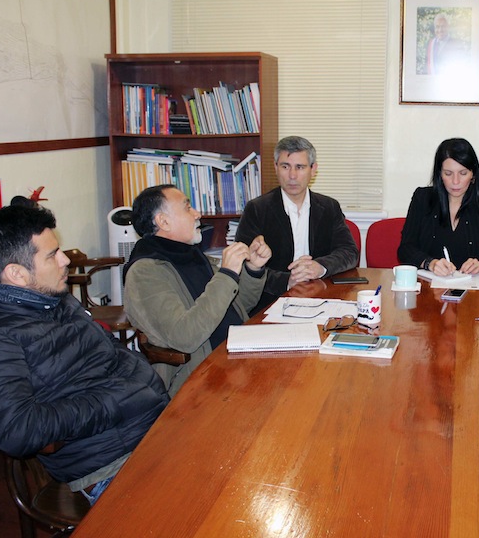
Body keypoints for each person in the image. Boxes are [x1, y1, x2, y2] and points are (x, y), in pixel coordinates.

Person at [0, 205, 169, 505]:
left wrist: (139, 384)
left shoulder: (54, 298)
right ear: (17, 273)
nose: (65, 260)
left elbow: (110, 349)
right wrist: (116, 401)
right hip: (109, 463)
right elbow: (17, 431)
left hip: (154, 427)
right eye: (52, 255)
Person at [123, 185, 271, 396]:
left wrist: (253, 269)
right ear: (163, 221)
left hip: (239, 357)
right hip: (203, 379)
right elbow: (185, 336)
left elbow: (238, 306)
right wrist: (227, 274)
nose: (197, 214)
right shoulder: (145, 273)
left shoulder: (193, 257)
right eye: (187, 208)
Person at [235, 136, 358, 312]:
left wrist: (319, 267)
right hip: (271, 302)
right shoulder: (257, 209)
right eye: (285, 166)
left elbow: (349, 252)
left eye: (300, 167)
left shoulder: (329, 207)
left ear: (313, 170)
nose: (292, 176)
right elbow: (243, 264)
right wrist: (288, 281)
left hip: (321, 296)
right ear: (276, 167)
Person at [398, 137, 479, 275]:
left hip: (472, 286)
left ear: (473, 174)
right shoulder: (423, 199)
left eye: (463, 173)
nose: (455, 181)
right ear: (439, 174)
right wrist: (430, 263)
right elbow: (405, 249)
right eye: (448, 174)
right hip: (428, 284)